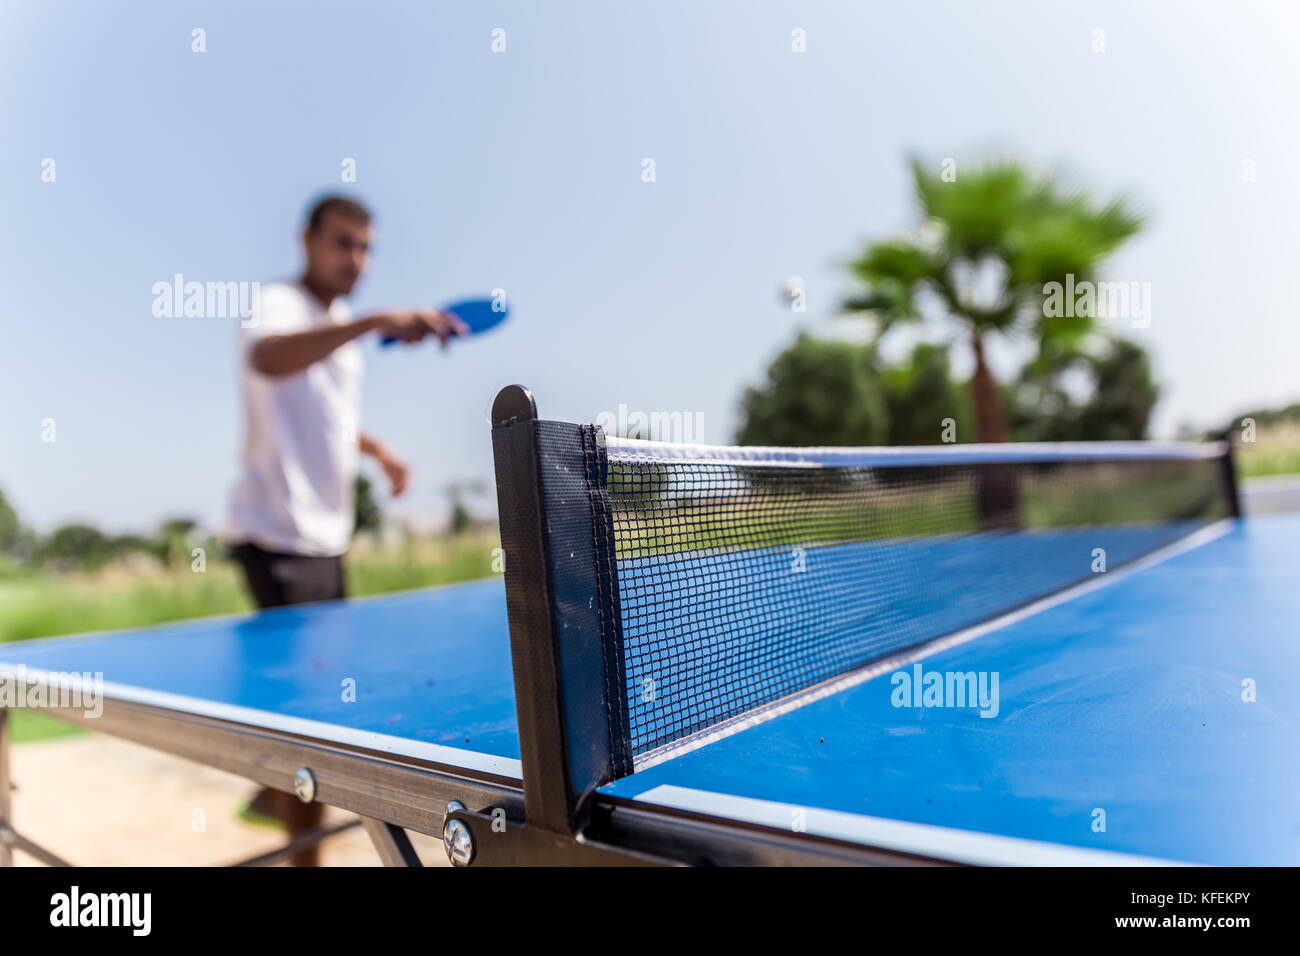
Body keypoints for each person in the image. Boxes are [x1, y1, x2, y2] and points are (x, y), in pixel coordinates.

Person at [224, 195, 466, 864]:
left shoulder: (337, 325)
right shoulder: (279, 303)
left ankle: (267, 782)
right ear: (307, 238)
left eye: (365, 249)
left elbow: (322, 414)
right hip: (275, 535)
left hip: (326, 538)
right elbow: (269, 360)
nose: (355, 260)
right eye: (343, 243)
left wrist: (377, 449)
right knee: (314, 716)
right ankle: (288, 813)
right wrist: (374, 322)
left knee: (317, 703)